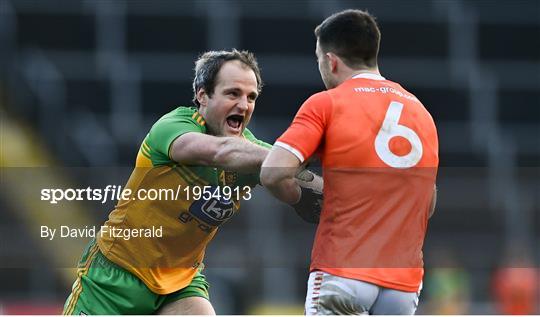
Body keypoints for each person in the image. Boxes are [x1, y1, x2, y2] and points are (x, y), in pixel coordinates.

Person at [63, 49, 278, 315]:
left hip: (181, 282)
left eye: (251, 97)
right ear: (202, 95)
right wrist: (292, 155)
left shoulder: (254, 151)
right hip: (115, 276)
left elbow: (296, 185)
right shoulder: (173, 126)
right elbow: (217, 152)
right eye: (233, 93)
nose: (244, 105)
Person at [260, 9, 439, 315]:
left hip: (342, 269)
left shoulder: (327, 103)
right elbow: (429, 200)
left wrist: (301, 197)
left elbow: (273, 172)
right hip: (403, 282)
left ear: (331, 60)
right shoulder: (421, 112)